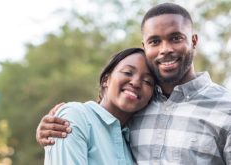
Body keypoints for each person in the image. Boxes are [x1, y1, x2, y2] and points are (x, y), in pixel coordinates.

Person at [37, 3, 231, 164]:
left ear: (194, 41)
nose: (165, 49)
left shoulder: (226, 108)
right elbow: (98, 121)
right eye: (155, 41)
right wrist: (56, 126)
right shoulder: (139, 107)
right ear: (145, 46)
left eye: (176, 38)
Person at [43, 47, 155, 164]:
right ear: (106, 80)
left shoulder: (132, 142)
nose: (136, 83)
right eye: (127, 72)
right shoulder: (76, 116)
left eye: (147, 81)